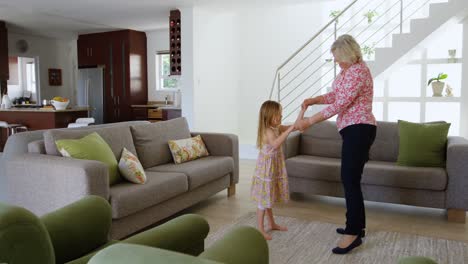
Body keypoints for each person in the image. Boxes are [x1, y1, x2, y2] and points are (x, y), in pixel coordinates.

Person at [295, 34, 377, 254]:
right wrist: (314, 100)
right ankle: (357, 226)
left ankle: (353, 234)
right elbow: (335, 95)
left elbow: (341, 103)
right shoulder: (347, 72)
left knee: (349, 179)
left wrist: (309, 121)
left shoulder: (359, 71)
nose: (336, 61)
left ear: (349, 54)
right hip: (352, 129)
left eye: (338, 57)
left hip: (360, 129)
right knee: (350, 179)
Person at [251, 100, 305, 240]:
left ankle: (272, 223)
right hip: (266, 170)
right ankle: (261, 229)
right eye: (278, 115)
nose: (281, 117)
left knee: (269, 197)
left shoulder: (276, 127)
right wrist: (288, 129)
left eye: (281, 114)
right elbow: (275, 144)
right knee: (263, 200)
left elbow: (293, 127)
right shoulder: (267, 131)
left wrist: (302, 113)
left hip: (273, 168)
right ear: (269, 116)